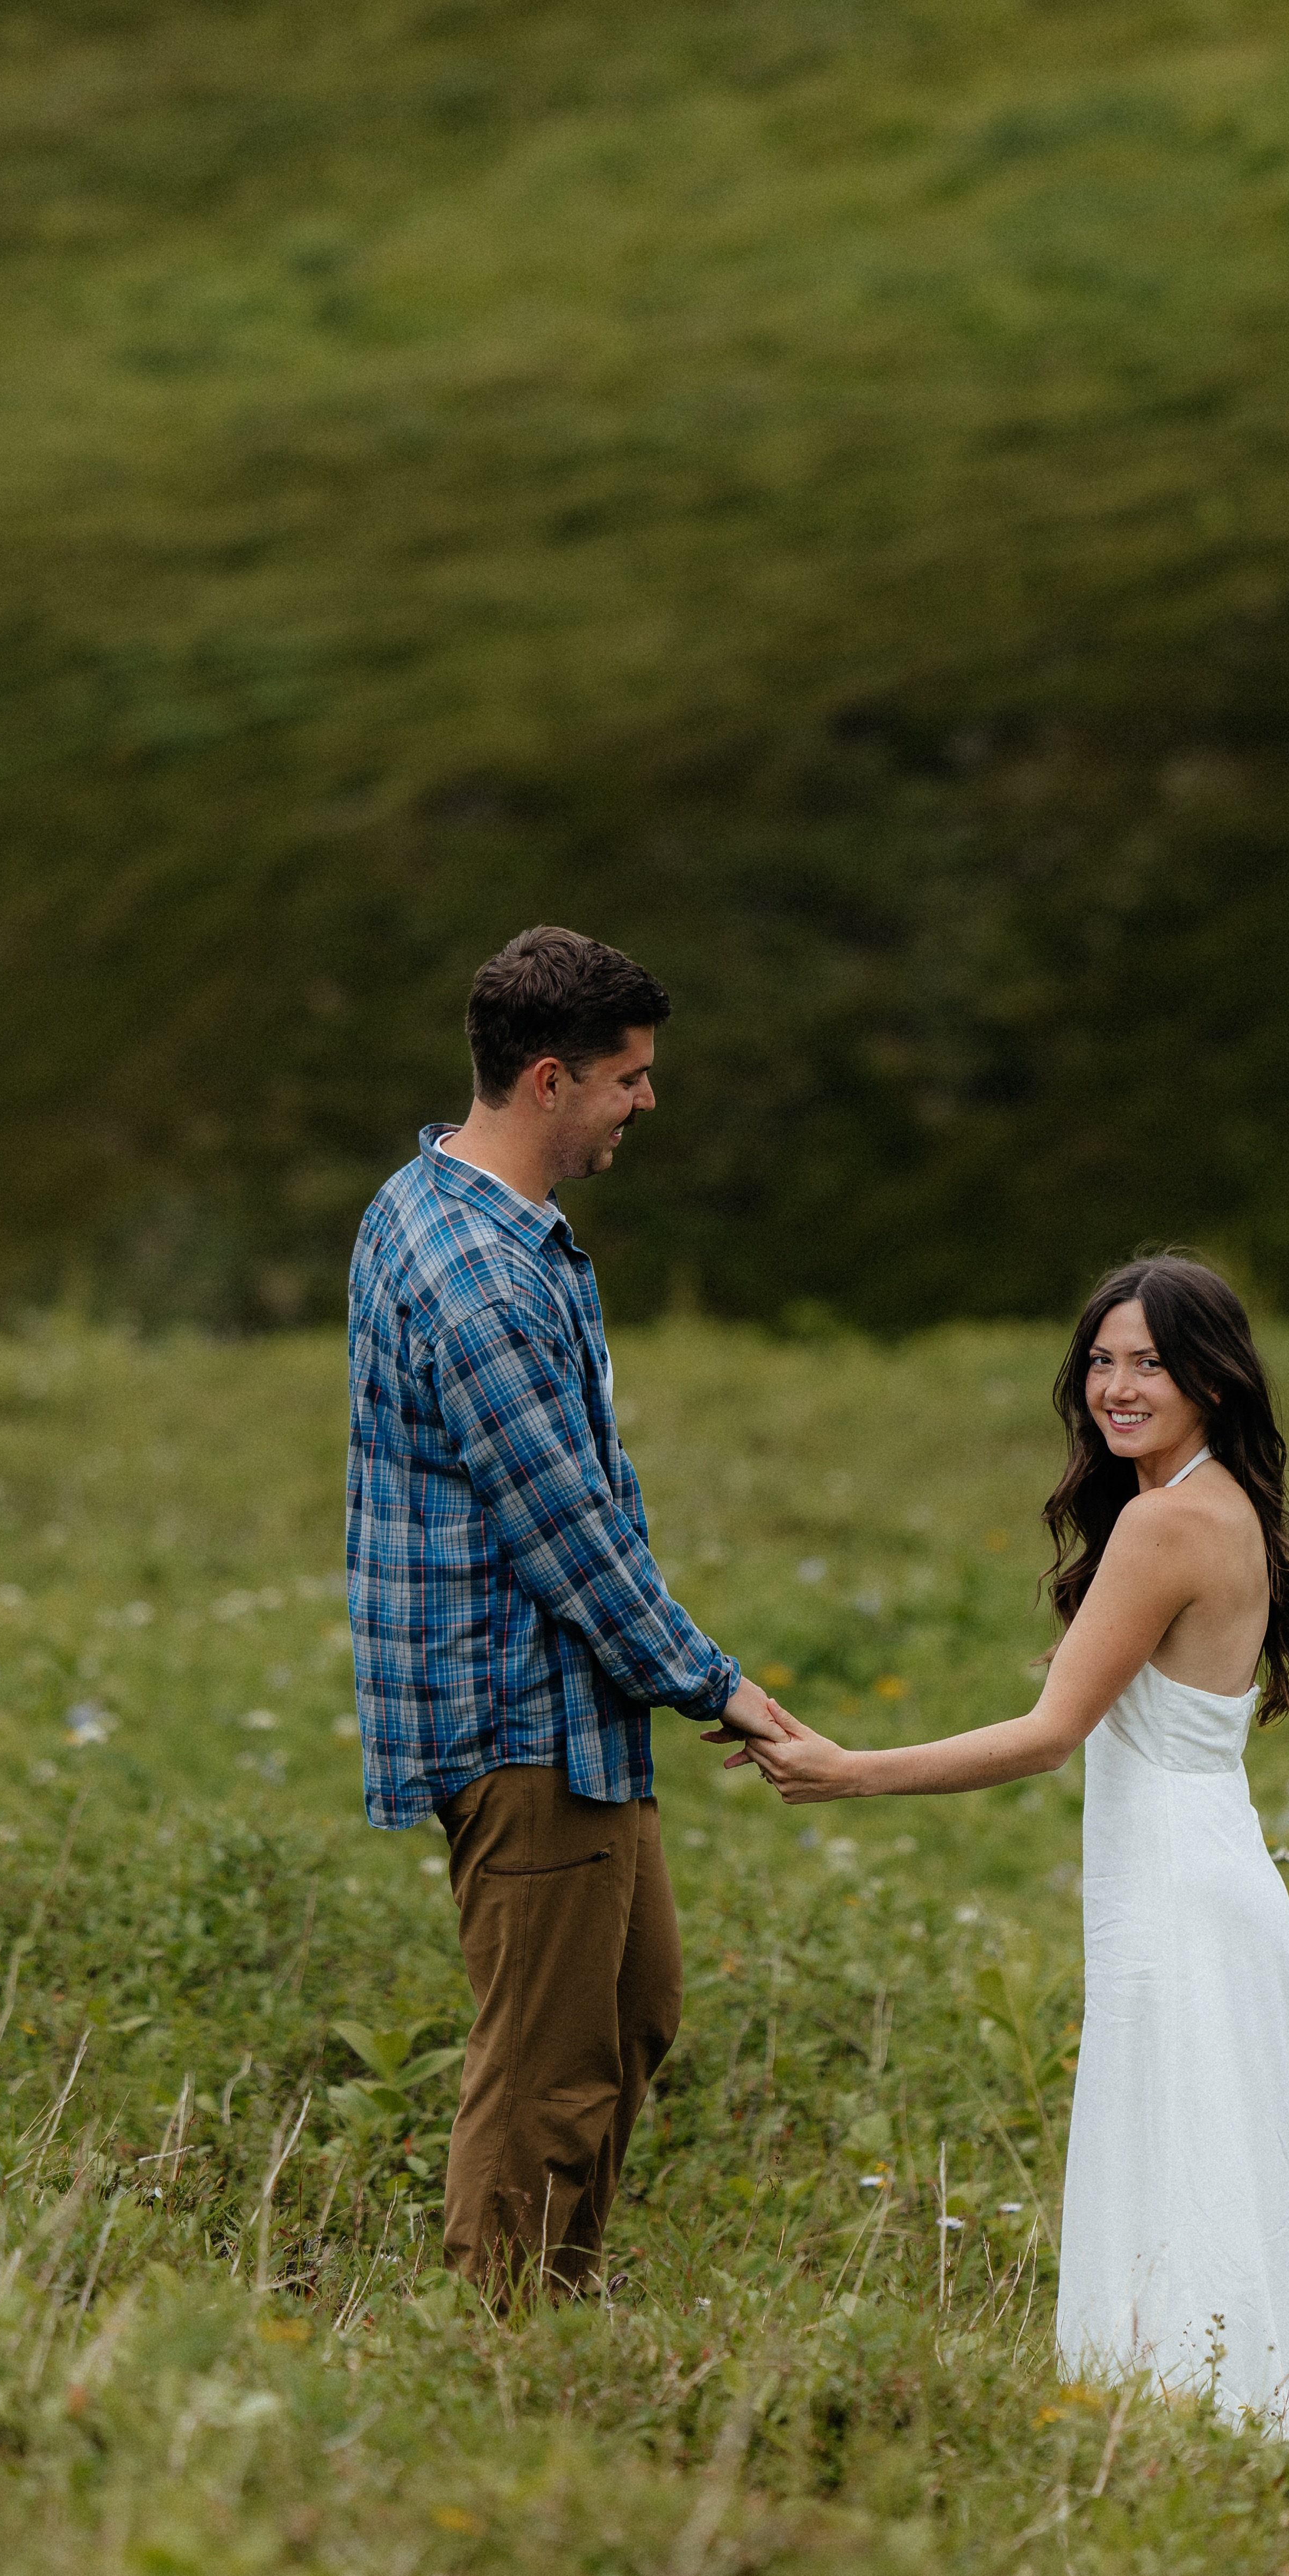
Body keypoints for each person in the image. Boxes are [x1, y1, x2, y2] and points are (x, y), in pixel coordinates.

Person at [736, 1252, 1289, 2445]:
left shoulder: (1167, 1522)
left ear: (1210, 1379)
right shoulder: (1222, 1505)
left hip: (1175, 1881)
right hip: (1214, 1864)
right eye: (1102, 1362)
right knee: (1214, 2157)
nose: (1117, 1387)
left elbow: (1049, 1735)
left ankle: (1183, 2432)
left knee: (1178, 2155)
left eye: (1150, 1364)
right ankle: (1235, 2433)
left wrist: (849, 1769)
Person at [346, 926, 788, 2298]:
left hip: (563, 1706)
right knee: (546, 2060)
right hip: (517, 1708)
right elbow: (566, 1533)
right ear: (549, 1080)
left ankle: (556, 2290)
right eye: (628, 1078)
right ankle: (500, 2333)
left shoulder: (432, 1202)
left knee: (630, 2007)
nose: (644, 1100)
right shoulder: (477, 1275)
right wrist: (716, 1683)